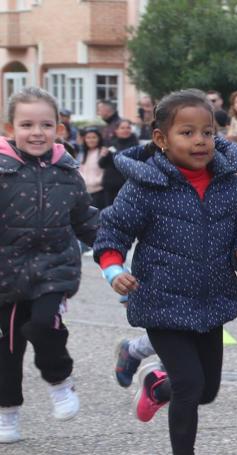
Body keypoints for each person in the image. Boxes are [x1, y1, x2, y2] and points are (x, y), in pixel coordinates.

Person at [93, 89, 237, 455]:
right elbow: (113, 231)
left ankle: (156, 387)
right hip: (160, 300)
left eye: (207, 132)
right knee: (189, 385)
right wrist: (113, 268)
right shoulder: (145, 185)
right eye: (187, 132)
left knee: (207, 389)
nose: (200, 140)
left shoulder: (231, 187)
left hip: (210, 301)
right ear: (161, 139)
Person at [0, 87, 98, 444]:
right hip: (6, 275)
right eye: (27, 124)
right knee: (8, 349)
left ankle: (59, 380)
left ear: (59, 128)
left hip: (54, 269)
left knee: (43, 325)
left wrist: (110, 249)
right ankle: (7, 412)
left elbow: (85, 218)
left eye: (46, 124)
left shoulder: (67, 172)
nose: (36, 132)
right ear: (10, 128)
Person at [100, 119, 140, 206]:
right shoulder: (110, 143)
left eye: (128, 128)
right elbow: (101, 164)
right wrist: (104, 155)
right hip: (110, 185)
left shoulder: (136, 145)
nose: (126, 130)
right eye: (122, 128)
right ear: (116, 131)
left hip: (127, 184)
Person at [78, 126, 108, 210]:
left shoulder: (103, 151)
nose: (91, 140)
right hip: (85, 192)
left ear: (99, 138)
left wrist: (97, 181)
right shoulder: (82, 153)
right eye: (88, 137)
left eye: (94, 137)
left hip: (99, 192)